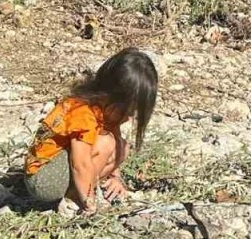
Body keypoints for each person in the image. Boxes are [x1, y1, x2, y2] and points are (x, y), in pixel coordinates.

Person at [24, 47, 158, 215]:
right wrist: (89, 201)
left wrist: (115, 177)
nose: (129, 117)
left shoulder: (105, 108)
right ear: (110, 96)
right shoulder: (82, 112)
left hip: (58, 171)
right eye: (127, 110)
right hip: (42, 180)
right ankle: (73, 200)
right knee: (106, 143)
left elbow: (115, 144)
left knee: (122, 147)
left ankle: (80, 190)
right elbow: (80, 164)